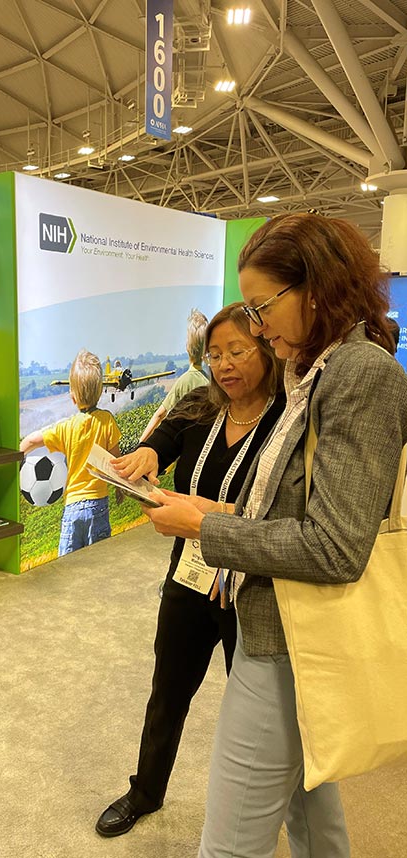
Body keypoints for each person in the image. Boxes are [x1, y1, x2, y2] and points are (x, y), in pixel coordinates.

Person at [142, 213, 407, 858]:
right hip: (281, 625)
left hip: (292, 638)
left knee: (230, 843)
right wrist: (213, 512)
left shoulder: (358, 374)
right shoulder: (311, 373)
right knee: (311, 814)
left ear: (315, 289)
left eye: (263, 308)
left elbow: (334, 547)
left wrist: (207, 526)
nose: (255, 330)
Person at [95, 303, 285, 837]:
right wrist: (148, 456)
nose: (224, 365)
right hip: (191, 574)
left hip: (250, 586)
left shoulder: (285, 417)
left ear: (267, 351)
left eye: (237, 351)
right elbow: (164, 438)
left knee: (253, 702)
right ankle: (145, 792)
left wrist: (209, 514)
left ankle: (263, 809)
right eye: (215, 354)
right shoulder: (204, 405)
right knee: (168, 689)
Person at [20, 349, 121, 556]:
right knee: (100, 563)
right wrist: (121, 489)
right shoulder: (107, 421)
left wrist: (16, 459)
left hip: (73, 506)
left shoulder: (65, 427)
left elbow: (30, 440)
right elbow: (116, 463)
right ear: (101, 391)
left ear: (73, 397)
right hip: (98, 505)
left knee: (66, 567)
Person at [139, 308, 209, 442]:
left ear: (187, 347)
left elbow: (159, 415)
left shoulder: (184, 381)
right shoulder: (208, 381)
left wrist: (140, 444)